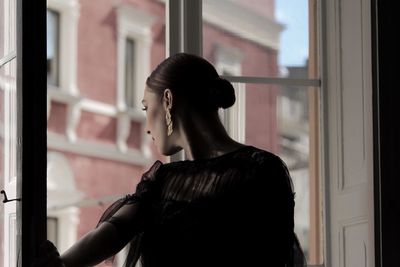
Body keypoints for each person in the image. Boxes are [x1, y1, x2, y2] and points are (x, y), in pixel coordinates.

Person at [34, 53, 306, 267]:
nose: (148, 125)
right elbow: (113, 230)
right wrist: (60, 264)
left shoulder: (259, 170)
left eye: (145, 107)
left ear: (167, 100)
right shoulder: (164, 179)